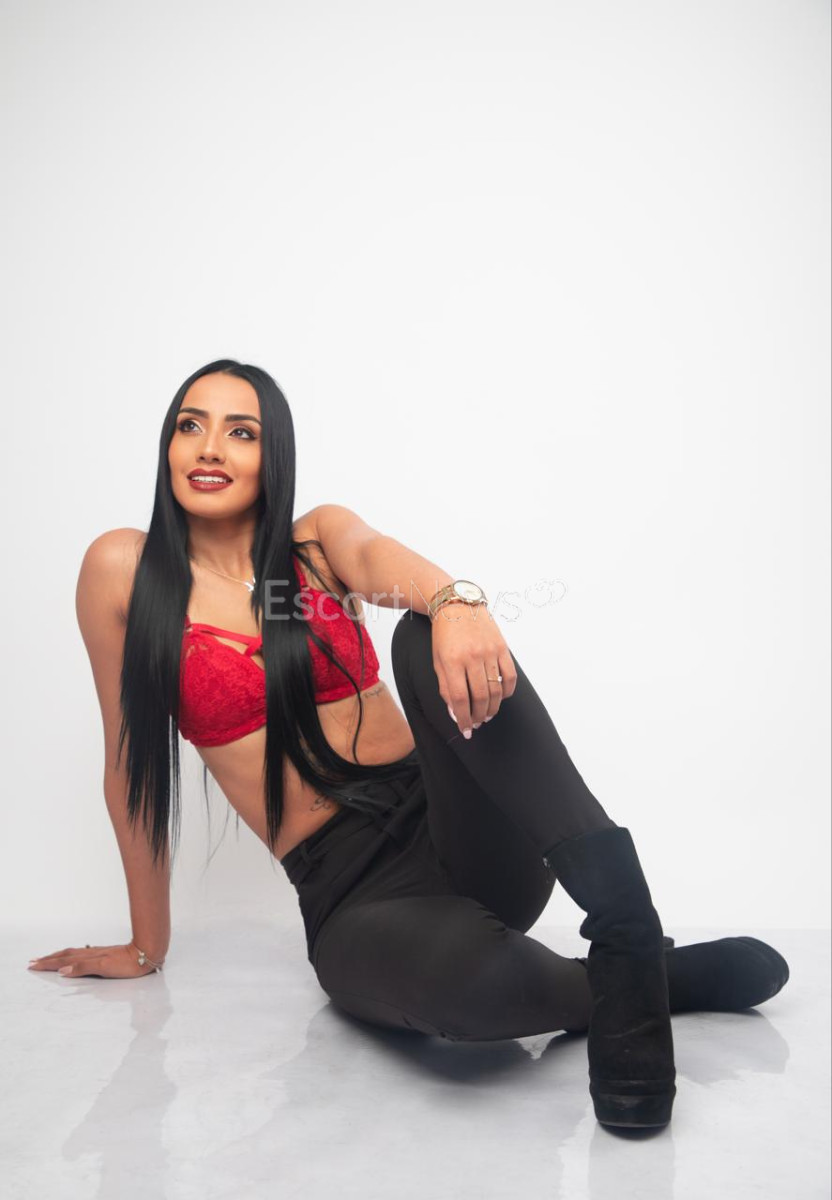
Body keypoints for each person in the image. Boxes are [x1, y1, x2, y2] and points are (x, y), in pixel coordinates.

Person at [28, 358, 790, 1131]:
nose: (211, 448)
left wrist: (457, 600)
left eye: (242, 432)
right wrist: (146, 946)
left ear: (273, 454)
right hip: (356, 897)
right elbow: (129, 767)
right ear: (168, 445)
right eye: (190, 425)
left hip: (466, 831)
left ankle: (624, 921)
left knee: (428, 632)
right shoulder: (124, 570)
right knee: (477, 995)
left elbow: (376, 556)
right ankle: (647, 979)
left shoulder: (316, 544)